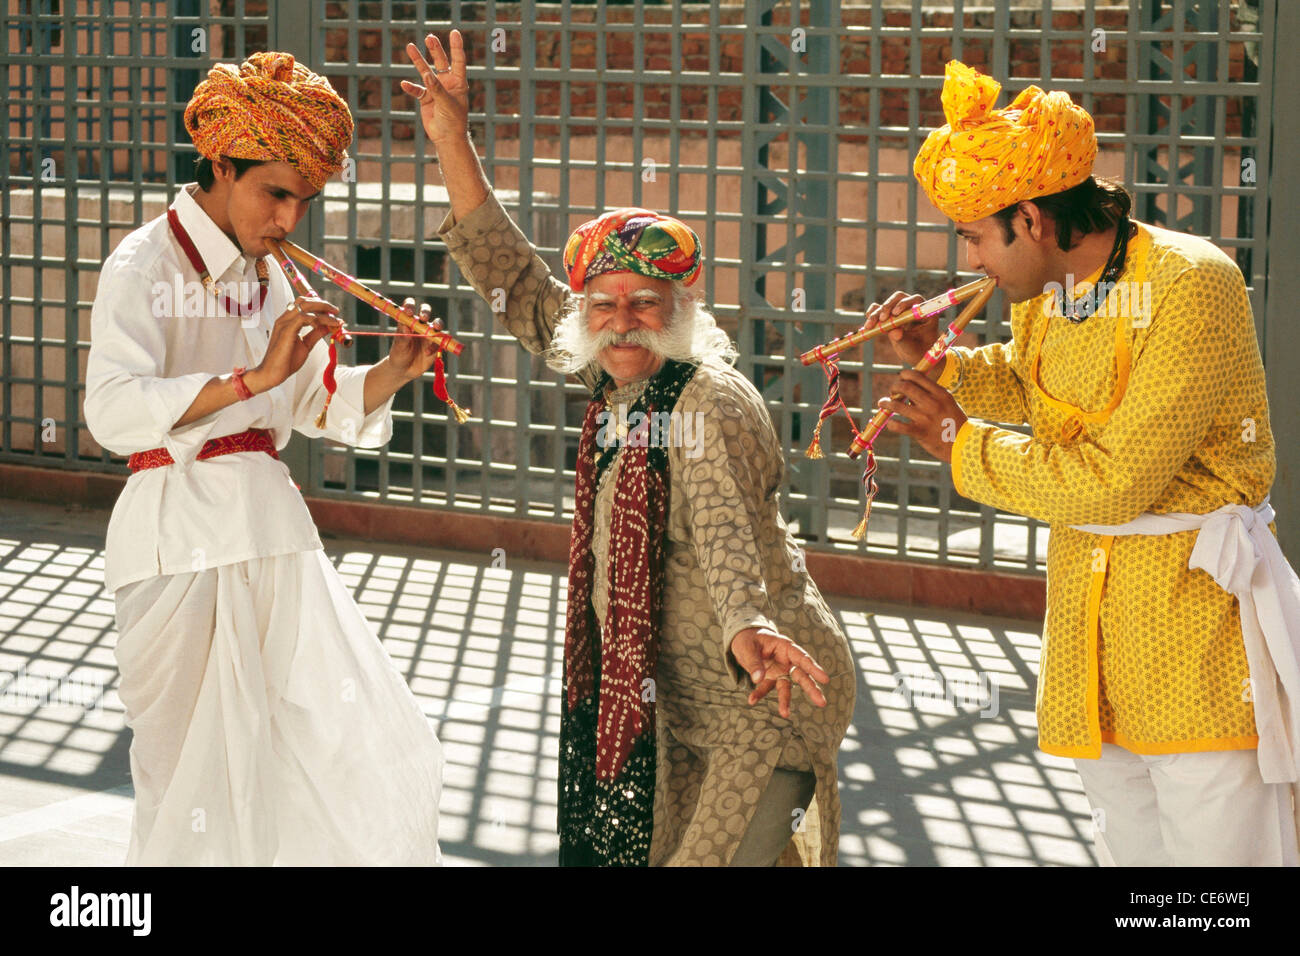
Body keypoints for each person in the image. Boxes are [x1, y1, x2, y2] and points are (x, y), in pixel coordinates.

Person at [402, 30, 855, 866]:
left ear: (679, 308)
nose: (620, 321)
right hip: (680, 704)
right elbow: (516, 284)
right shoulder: (624, 385)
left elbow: (722, 526)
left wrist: (747, 623)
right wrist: (453, 140)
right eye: (602, 304)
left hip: (767, 696)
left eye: (643, 302)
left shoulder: (705, 399)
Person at [869, 60, 1300, 866]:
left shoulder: (1190, 282)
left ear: (1030, 219)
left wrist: (961, 444)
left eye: (973, 236)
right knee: (1134, 862)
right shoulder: (1052, 292)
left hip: (1194, 630)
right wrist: (945, 363)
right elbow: (1036, 386)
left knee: (1218, 881)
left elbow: (1115, 481)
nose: (971, 261)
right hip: (1091, 637)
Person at [84, 52, 446, 865]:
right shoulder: (144, 263)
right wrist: (250, 378)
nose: (289, 218)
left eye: (304, 200)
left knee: (341, 744)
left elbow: (310, 401)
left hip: (273, 534)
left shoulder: (272, 275)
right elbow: (110, 411)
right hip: (174, 537)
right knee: (186, 781)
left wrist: (395, 370)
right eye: (275, 193)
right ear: (221, 165)